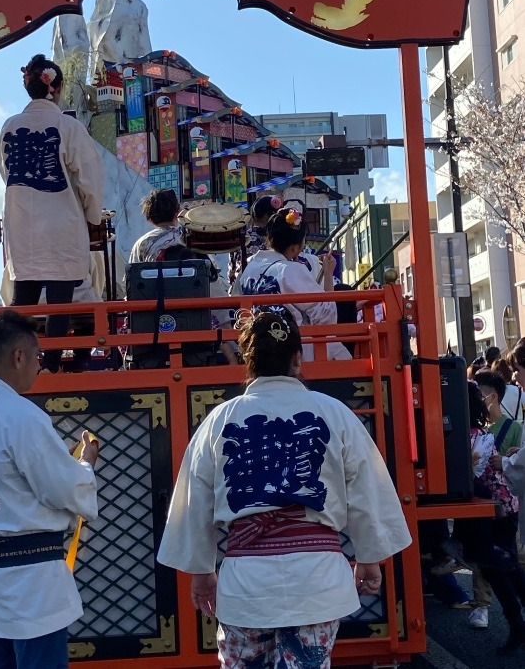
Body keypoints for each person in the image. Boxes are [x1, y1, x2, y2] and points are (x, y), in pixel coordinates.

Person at [157, 307, 411, 668]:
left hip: (247, 583)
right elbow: (366, 493)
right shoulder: (334, 413)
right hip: (317, 578)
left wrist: (202, 571)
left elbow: (194, 503)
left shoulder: (220, 420)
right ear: (297, 357)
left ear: (248, 360)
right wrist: (369, 559)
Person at [0, 310, 100, 669]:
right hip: (29, 575)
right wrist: (85, 464)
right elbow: (64, 488)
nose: (39, 366)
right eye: (36, 357)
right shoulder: (20, 413)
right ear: (18, 356)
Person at [0, 54, 104, 373]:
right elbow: (90, 176)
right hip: (61, 221)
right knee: (62, 297)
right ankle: (54, 365)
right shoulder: (67, 126)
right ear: (55, 89)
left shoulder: (9, 126)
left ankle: (19, 366)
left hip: (21, 222)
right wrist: (92, 214)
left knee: (23, 298)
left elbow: (6, 172)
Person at [452, 381, 525, 655]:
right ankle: (517, 627)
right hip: (503, 505)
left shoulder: (467, 436)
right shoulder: (478, 432)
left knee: (500, 566)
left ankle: (518, 628)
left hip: (496, 509)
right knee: (500, 569)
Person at [232, 207, 352, 361]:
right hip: (289, 348)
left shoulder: (249, 268)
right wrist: (328, 274)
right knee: (339, 352)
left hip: (256, 346)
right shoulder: (290, 270)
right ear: (295, 247)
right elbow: (327, 317)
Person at [128, 188, 183, 264]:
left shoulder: (143, 243)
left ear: (149, 218)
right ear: (178, 210)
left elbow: (131, 274)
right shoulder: (187, 238)